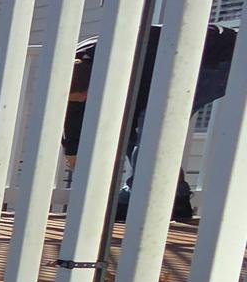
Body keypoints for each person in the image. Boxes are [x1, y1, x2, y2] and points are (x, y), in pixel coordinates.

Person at [61, 23, 235, 222]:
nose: (82, 101)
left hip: (220, 57)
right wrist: (72, 149)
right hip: (172, 60)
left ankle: (143, 198)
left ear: (98, 83)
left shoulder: (129, 65)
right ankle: (174, 200)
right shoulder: (73, 69)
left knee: (152, 123)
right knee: (134, 126)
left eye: (85, 96)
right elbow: (73, 112)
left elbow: (142, 114)